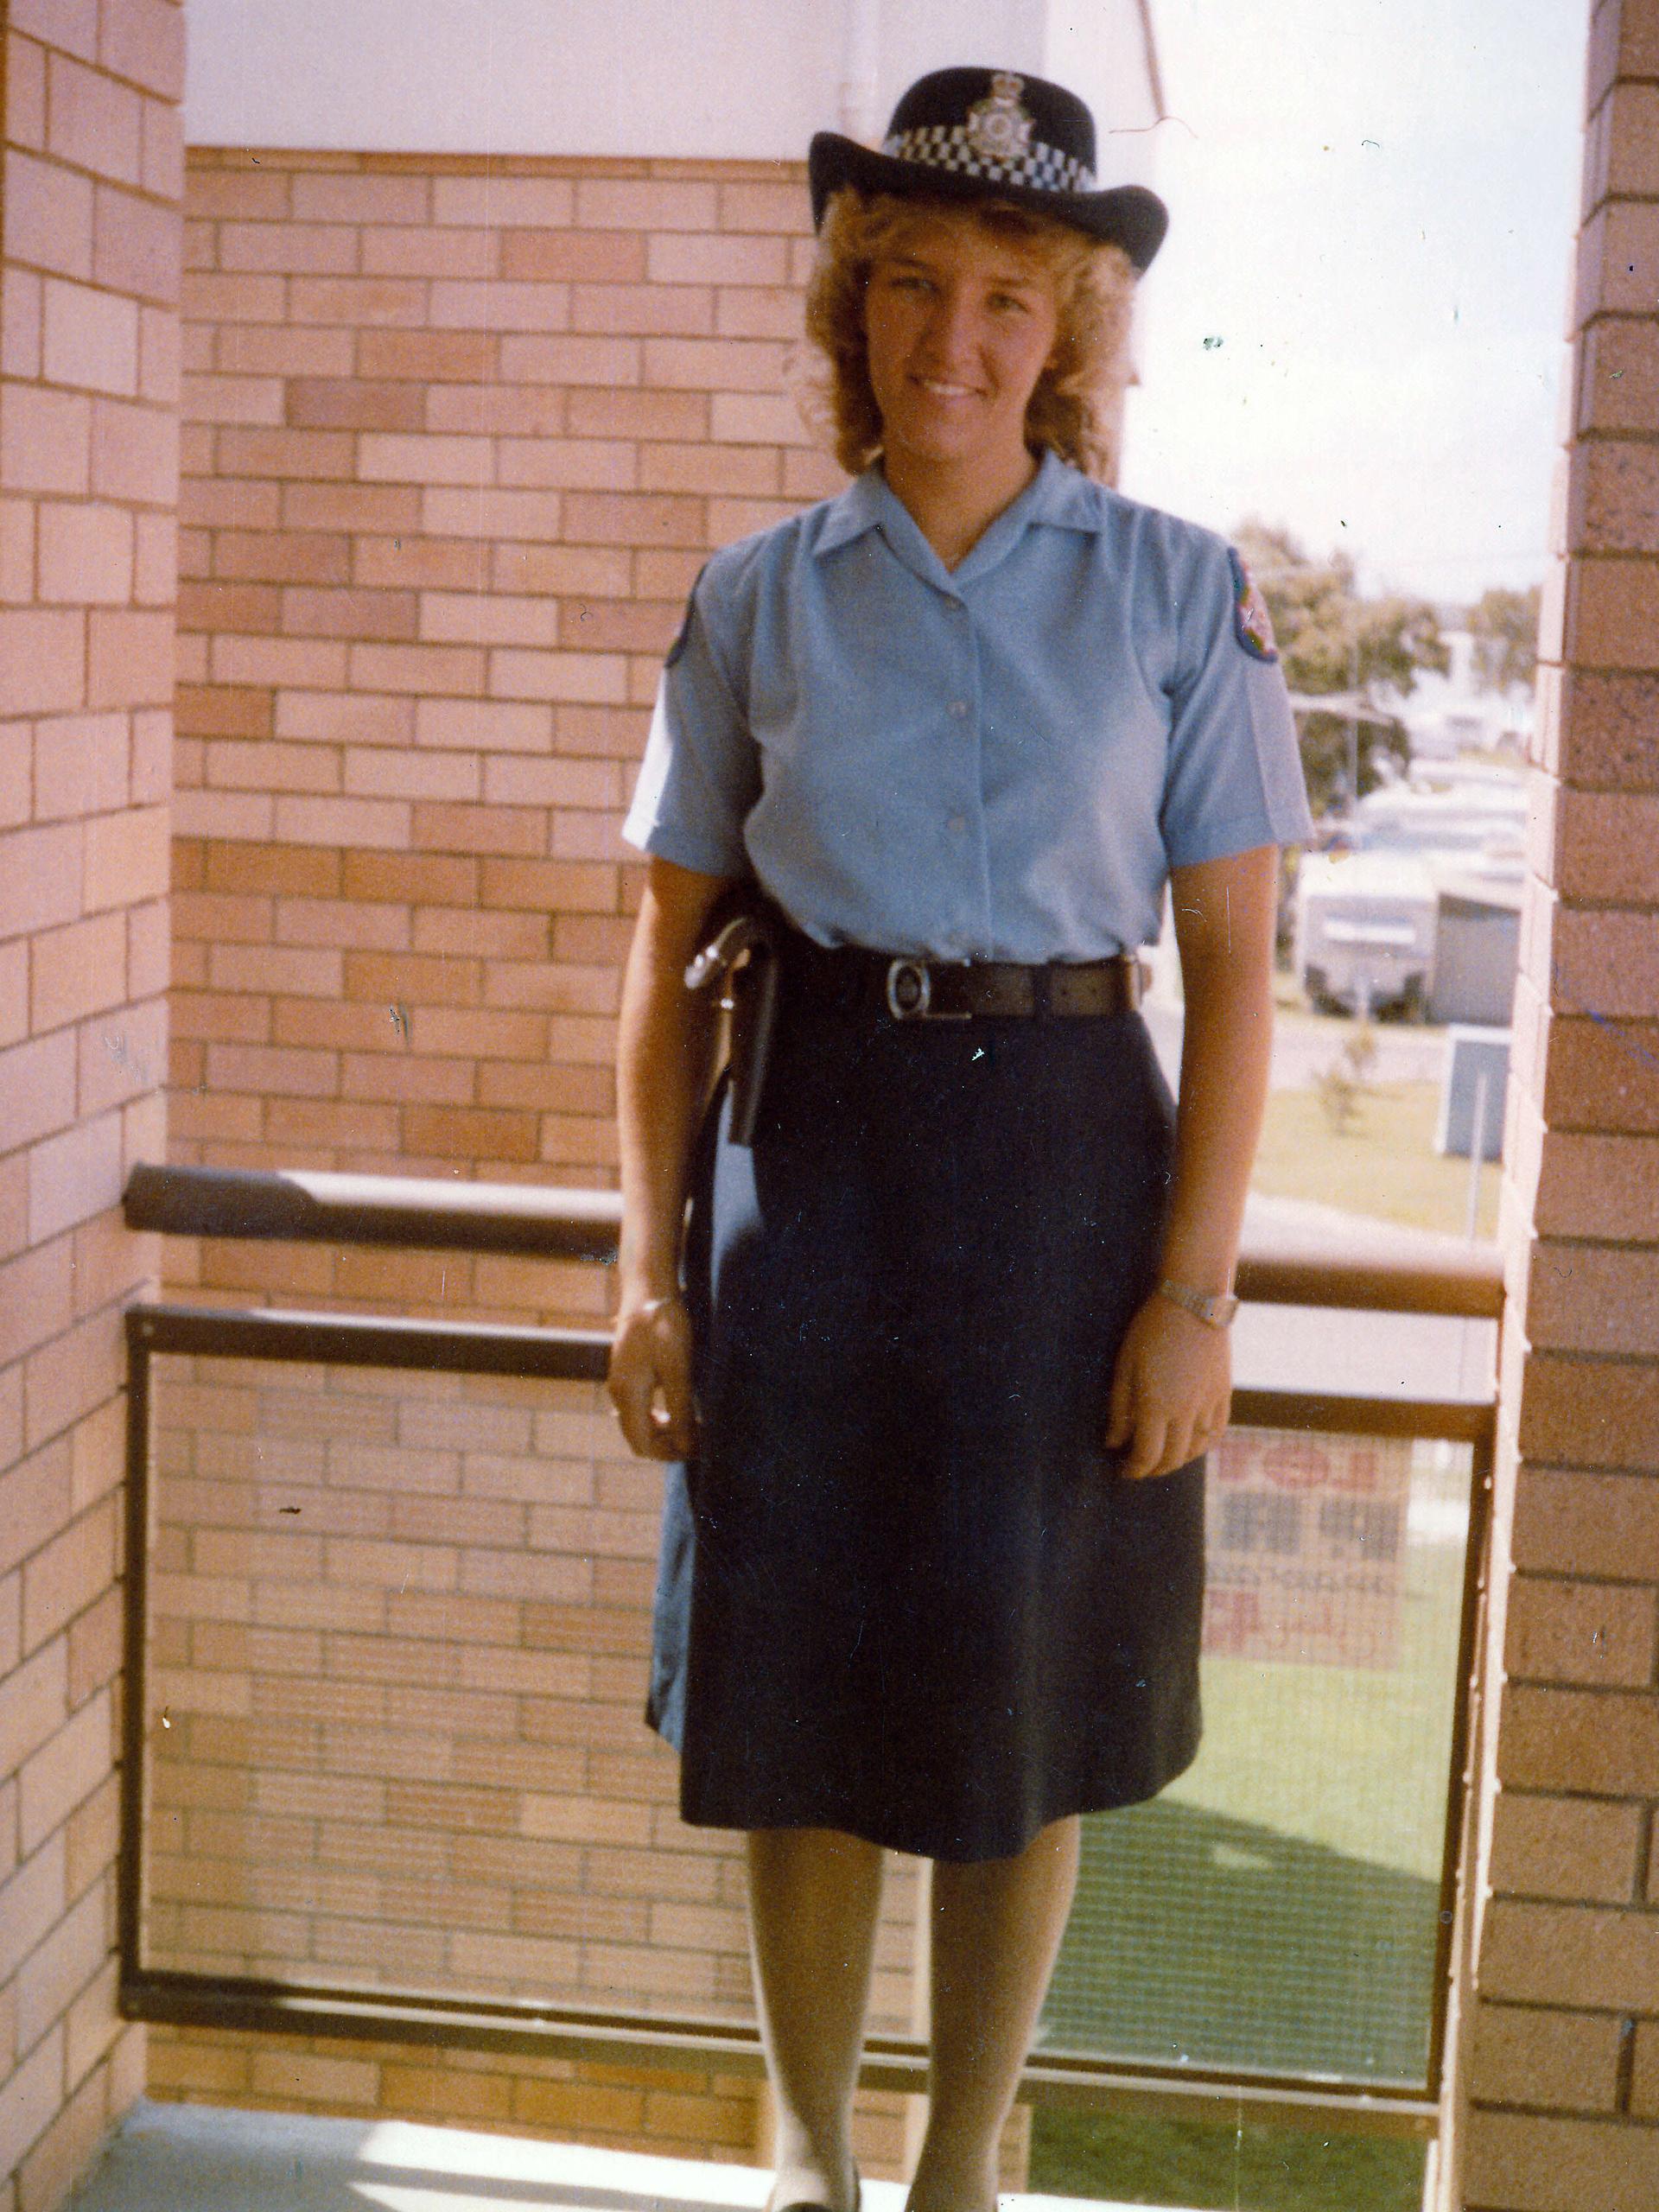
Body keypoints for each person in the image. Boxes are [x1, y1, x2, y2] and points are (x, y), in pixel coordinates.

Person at [607, 65, 1313, 2212]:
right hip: (807, 1154)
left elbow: (1240, 974)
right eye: (909, 286)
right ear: (855, 309)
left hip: (1070, 1171)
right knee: (805, 1686)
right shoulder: (758, 598)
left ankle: (958, 2174)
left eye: (1007, 299)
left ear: (1069, 335)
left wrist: (1193, 1296)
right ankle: (814, 2166)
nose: (953, 341)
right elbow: (655, 964)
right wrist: (645, 1267)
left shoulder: (1185, 595)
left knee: (1022, 1693)